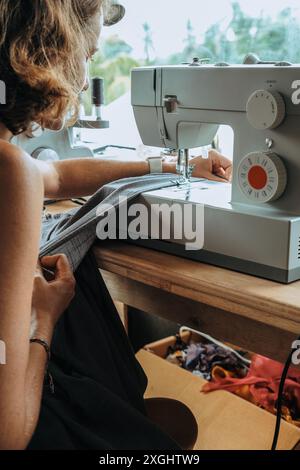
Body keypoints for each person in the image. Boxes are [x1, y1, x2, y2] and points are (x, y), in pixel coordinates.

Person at [0, 0, 232, 450]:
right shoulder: (9, 172)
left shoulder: (13, 166)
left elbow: (56, 176)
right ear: (44, 52)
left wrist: (175, 161)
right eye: (85, 57)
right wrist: (44, 318)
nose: (84, 80)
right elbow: (8, 432)